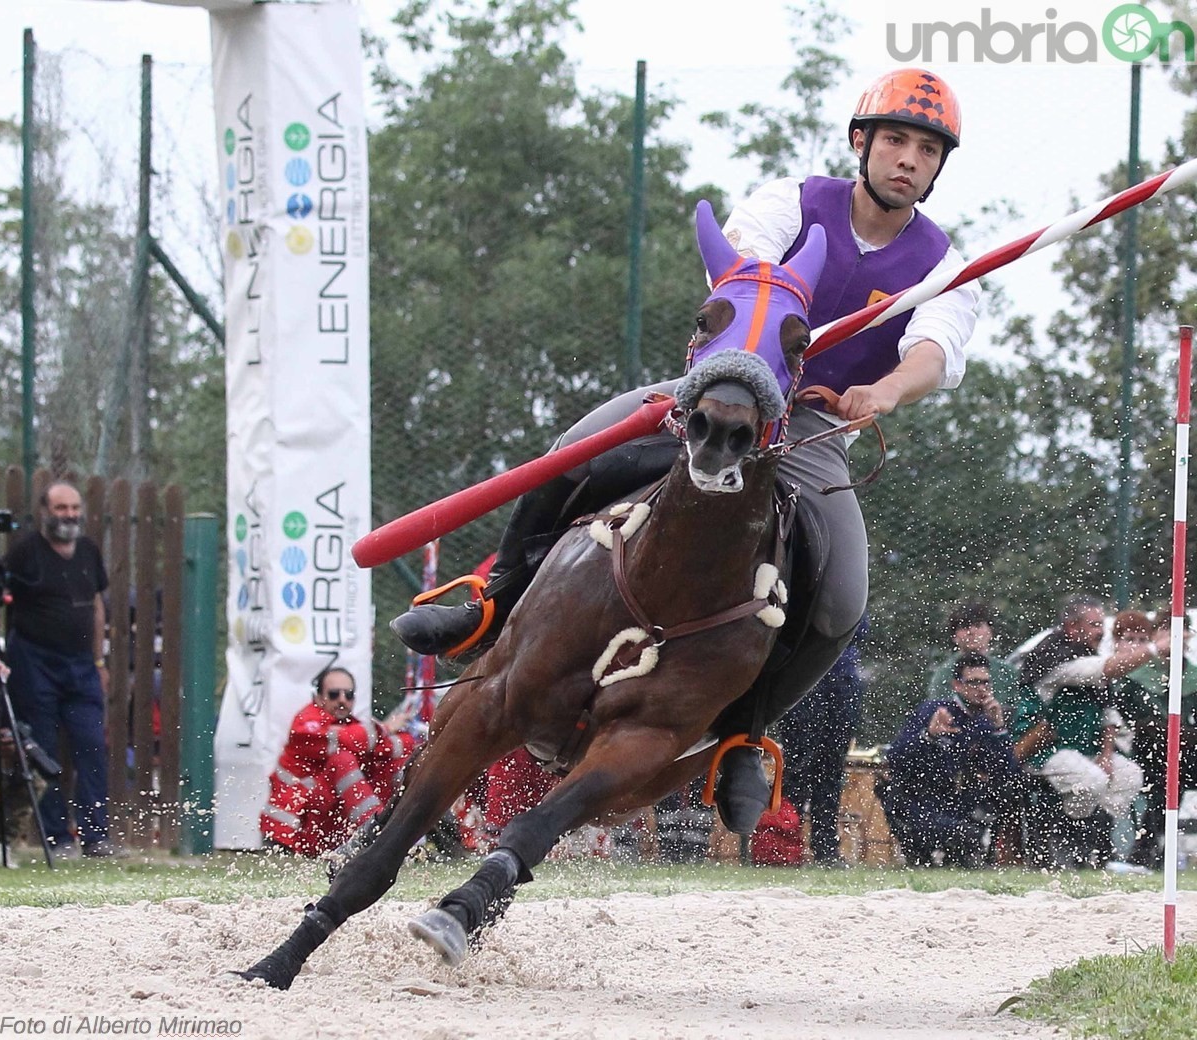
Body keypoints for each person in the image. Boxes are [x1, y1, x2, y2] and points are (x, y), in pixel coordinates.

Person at [392, 67, 981, 836]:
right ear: (861, 142)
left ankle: (742, 732)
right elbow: (741, 273)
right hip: (726, 388)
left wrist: (887, 392)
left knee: (841, 600)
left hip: (810, 428)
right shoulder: (790, 203)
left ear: (938, 168)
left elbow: (935, 349)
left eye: (928, 150)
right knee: (575, 450)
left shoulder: (947, 264)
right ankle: (492, 599)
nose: (909, 159)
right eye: (897, 139)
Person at [1, 480, 119, 858]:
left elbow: (97, 604)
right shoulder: (24, 554)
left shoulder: (87, 551)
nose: (69, 515)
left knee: (91, 745)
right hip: (35, 662)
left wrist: (100, 659)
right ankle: (58, 839)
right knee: (44, 751)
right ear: (45, 512)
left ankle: (96, 836)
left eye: (73, 508)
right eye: (61, 508)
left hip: (82, 664)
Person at [1011, 598, 1161, 865]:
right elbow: (1106, 669)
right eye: (1093, 624)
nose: (1100, 631)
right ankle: (1063, 837)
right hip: (1046, 749)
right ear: (1071, 627)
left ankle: (1094, 841)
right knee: (1091, 781)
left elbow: (1107, 714)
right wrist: (1153, 648)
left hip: (1086, 750)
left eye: (1100, 624)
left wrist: (1105, 754)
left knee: (1129, 776)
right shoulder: (1055, 658)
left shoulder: (1087, 654)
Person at [879, 652, 1021, 867]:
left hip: (962, 804)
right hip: (922, 801)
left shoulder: (987, 722)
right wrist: (928, 736)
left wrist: (1000, 730)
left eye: (985, 682)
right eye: (973, 682)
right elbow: (896, 758)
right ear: (957, 685)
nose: (981, 689)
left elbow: (1005, 773)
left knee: (999, 803)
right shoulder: (934, 711)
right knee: (962, 835)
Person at [260, 667, 418, 857]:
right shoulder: (305, 723)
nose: (342, 700)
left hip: (331, 829)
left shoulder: (352, 725)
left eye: (348, 694)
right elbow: (348, 741)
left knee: (396, 763)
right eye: (334, 694)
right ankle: (377, 836)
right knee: (342, 760)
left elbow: (400, 746)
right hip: (297, 831)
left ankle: (415, 835)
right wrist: (385, 728)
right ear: (318, 697)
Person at [772, 617, 869, 866]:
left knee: (830, 771)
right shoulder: (799, 584)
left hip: (839, 683)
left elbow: (859, 627)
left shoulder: (845, 582)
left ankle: (824, 847)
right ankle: (784, 844)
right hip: (803, 683)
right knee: (798, 769)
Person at [1113, 609, 1197, 868]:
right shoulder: (1136, 676)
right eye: (1169, 632)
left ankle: (1153, 848)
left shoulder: (1192, 676)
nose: (1177, 639)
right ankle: (1146, 849)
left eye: (1182, 632)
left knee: (1179, 768)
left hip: (1187, 755)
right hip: (1145, 754)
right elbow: (1131, 721)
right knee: (1161, 779)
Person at [926, 601, 1020, 707]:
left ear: (990, 632)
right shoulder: (944, 674)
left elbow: (1019, 712)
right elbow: (939, 712)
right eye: (965, 627)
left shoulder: (1007, 672)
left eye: (978, 625)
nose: (971, 631)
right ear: (954, 636)